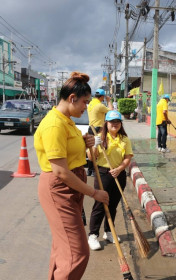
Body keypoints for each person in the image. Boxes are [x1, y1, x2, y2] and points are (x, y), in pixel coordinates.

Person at [34, 72, 109, 280]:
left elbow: (73, 154)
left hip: (71, 187)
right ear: (72, 98)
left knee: (63, 248)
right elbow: (60, 171)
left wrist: (86, 144)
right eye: (85, 102)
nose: (86, 107)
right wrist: (94, 193)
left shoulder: (66, 120)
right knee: (77, 253)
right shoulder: (54, 124)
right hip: (60, 188)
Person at [87, 110, 134, 250]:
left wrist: (119, 169)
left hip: (118, 174)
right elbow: (91, 158)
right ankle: (93, 235)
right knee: (100, 204)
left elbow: (128, 157)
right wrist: (94, 145)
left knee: (113, 205)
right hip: (103, 174)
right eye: (112, 122)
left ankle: (109, 232)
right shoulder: (100, 138)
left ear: (120, 123)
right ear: (106, 123)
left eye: (117, 122)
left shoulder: (124, 139)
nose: (115, 124)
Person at [87, 88, 113, 176]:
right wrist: (109, 101)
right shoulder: (99, 106)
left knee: (91, 149)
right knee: (97, 150)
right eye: (103, 97)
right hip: (98, 129)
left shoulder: (90, 103)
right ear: (102, 97)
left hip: (91, 128)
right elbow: (111, 112)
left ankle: (90, 170)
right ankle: (95, 171)